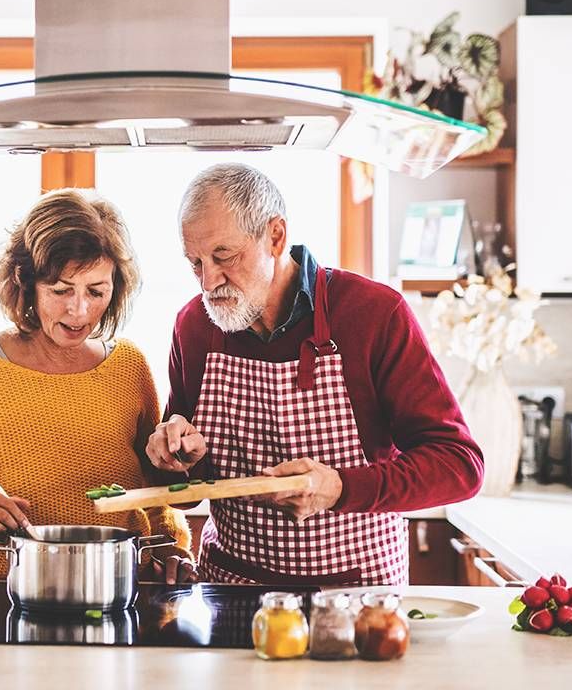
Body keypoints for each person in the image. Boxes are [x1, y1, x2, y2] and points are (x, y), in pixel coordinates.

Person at [146, 163, 484, 586]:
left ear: (275, 236)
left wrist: (340, 487)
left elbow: (459, 465)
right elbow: (182, 482)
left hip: (357, 594)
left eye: (224, 256)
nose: (209, 281)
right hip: (231, 589)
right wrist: (178, 457)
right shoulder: (195, 326)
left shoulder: (374, 314)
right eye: (195, 262)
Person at [0, 188, 193, 581]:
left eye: (96, 291)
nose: (79, 310)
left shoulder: (128, 367)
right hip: (6, 600)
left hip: (120, 589)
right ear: (25, 283)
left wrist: (172, 548)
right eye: (60, 290)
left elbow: (153, 496)